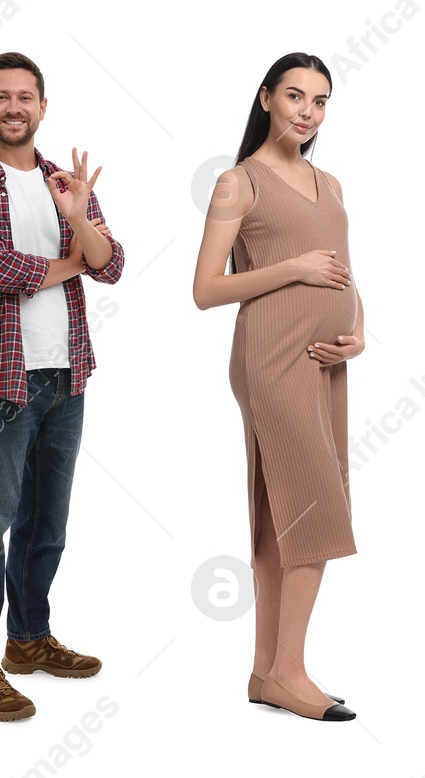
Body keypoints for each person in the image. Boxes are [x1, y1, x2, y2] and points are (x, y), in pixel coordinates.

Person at [0, 51, 123, 722]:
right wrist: (74, 258)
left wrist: (77, 218)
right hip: (0, 382)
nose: (14, 106)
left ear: (43, 108)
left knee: (47, 523)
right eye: (1, 97)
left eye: (25, 97)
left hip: (66, 374)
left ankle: (29, 639)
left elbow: (111, 265)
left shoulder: (64, 182)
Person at [191, 52, 359, 723]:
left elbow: (345, 272)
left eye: (319, 101)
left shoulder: (333, 183)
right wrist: (291, 266)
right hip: (270, 357)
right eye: (294, 96)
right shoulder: (238, 183)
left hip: (327, 361)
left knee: (279, 514)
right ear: (266, 99)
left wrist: (360, 331)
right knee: (318, 508)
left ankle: (266, 673)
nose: (306, 112)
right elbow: (206, 290)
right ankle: (292, 670)